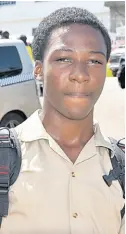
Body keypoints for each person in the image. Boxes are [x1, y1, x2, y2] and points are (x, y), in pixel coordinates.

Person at [0, 7, 124, 234]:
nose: (81, 74)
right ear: (38, 69)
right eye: (64, 58)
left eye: (95, 61)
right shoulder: (4, 158)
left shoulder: (121, 165)